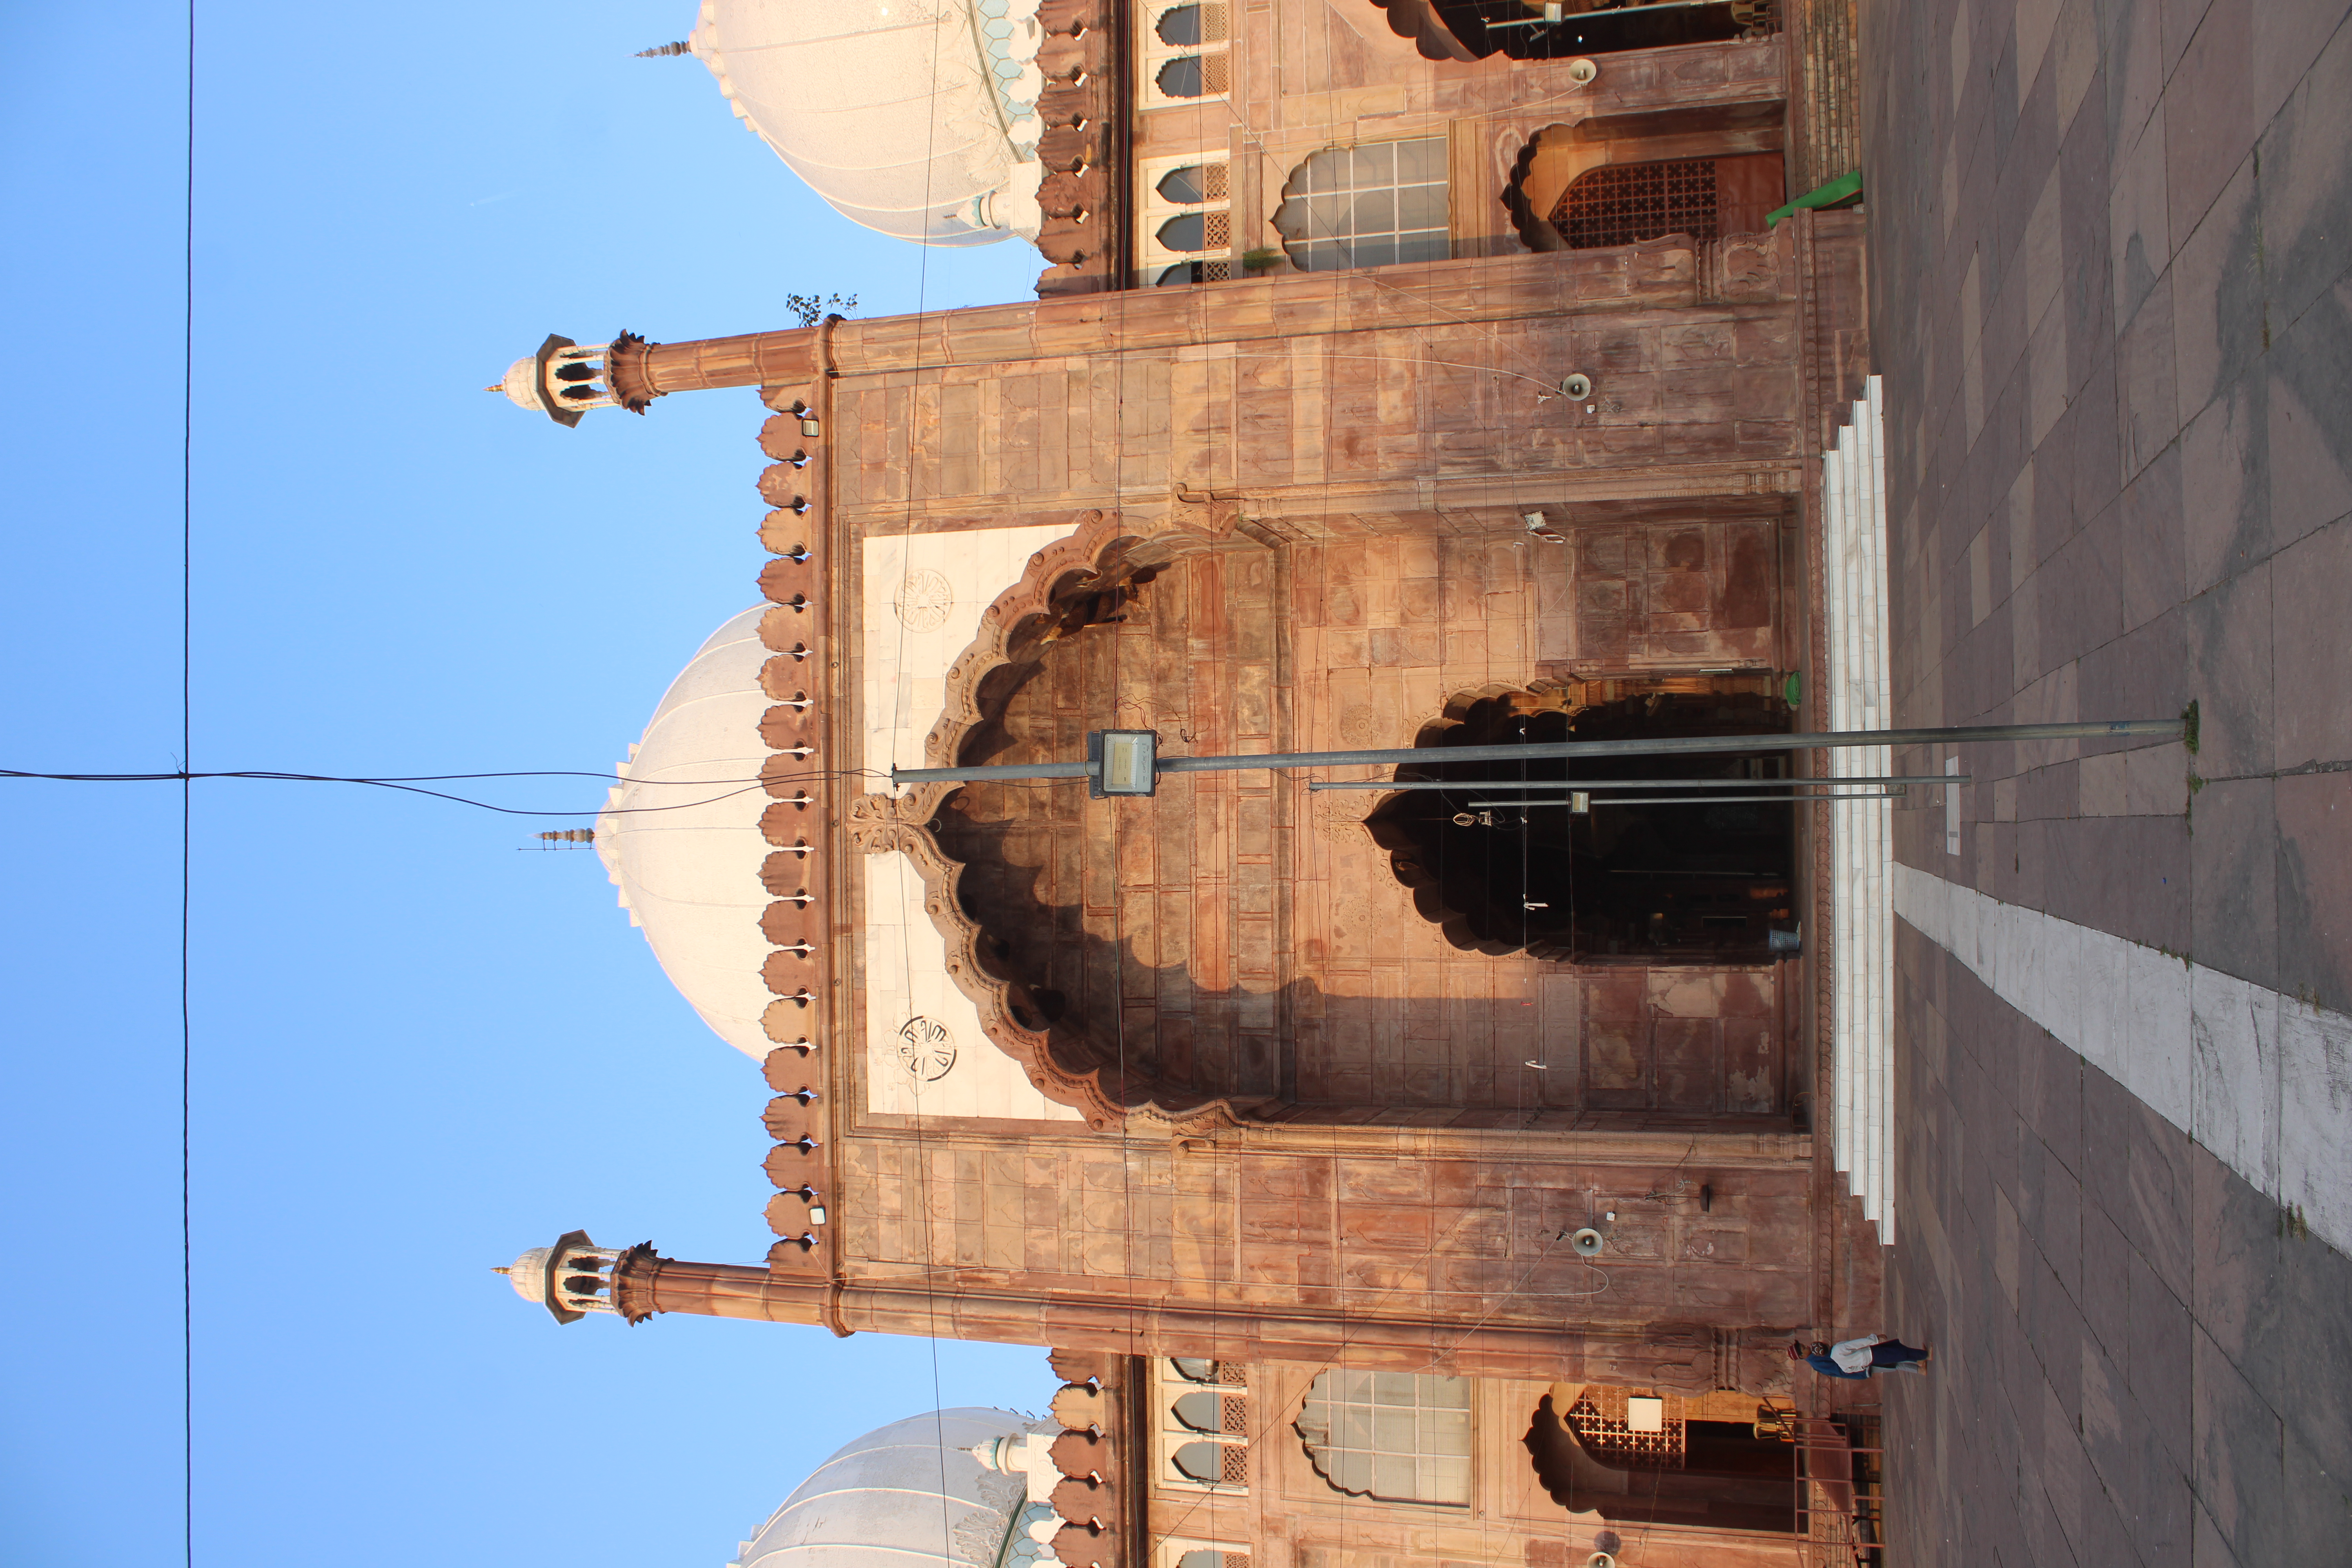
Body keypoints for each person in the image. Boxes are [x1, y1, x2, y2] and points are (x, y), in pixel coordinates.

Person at [1788, 1334, 1931, 1377]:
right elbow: (1841, 1370)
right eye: (1804, 1348)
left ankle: (1919, 1362)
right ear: (1801, 1356)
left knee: (1894, 1358)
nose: (1807, 1347)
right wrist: (1861, 1368)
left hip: (1861, 1365)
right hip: (1864, 1364)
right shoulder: (1817, 1361)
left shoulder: (1817, 1360)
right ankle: (1921, 1363)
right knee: (1893, 1361)